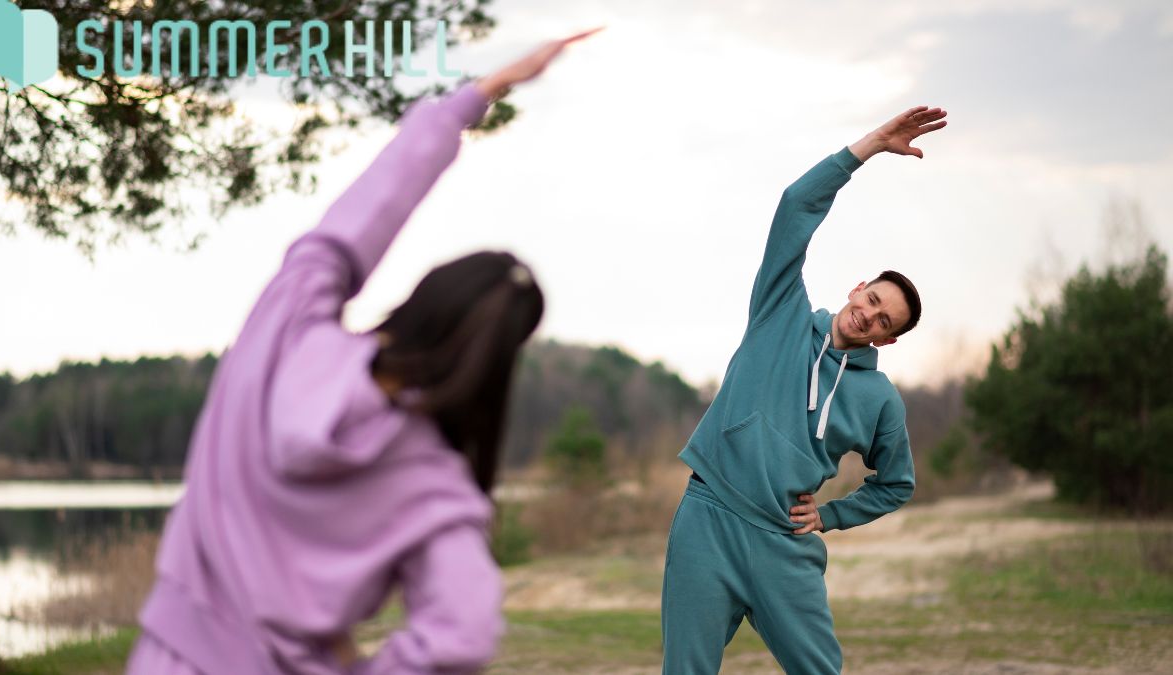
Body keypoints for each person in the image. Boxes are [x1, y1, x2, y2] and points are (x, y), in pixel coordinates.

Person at [125, 30, 599, 675]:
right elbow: (461, 635)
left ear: (421, 298)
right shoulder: (430, 481)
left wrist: (476, 97)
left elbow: (355, 223)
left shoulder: (285, 334)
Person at [661, 105, 947, 674]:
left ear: (887, 340)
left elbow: (896, 484)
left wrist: (832, 516)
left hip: (783, 545)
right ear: (857, 288)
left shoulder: (879, 399)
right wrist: (869, 147)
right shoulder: (781, 310)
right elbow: (796, 206)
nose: (868, 316)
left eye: (884, 321)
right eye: (872, 300)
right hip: (707, 520)